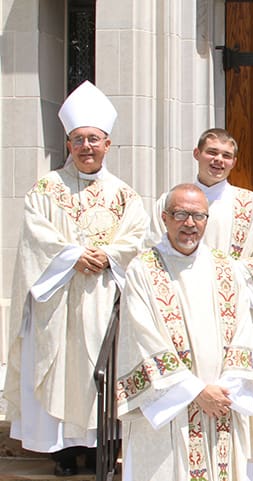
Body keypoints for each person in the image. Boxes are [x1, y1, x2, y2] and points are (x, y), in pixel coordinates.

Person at [3, 81, 149, 476]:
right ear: (69, 144)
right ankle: (64, 453)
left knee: (105, 372)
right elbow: (35, 236)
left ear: (108, 144)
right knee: (61, 373)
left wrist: (107, 255)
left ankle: (107, 446)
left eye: (94, 139)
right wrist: (72, 256)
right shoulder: (46, 189)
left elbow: (137, 238)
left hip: (106, 300)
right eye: (79, 139)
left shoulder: (125, 195)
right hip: (59, 303)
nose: (87, 146)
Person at [117, 184, 253, 481]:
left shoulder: (226, 268)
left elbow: (244, 330)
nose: (190, 224)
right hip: (170, 410)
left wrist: (223, 389)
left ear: (207, 220)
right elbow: (142, 337)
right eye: (181, 214)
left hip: (221, 403)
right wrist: (194, 391)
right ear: (165, 218)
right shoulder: (142, 270)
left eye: (198, 216)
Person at [148, 128, 253, 481]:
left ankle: (243, 465)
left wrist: (225, 273)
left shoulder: (250, 204)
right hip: (180, 317)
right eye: (211, 152)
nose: (218, 160)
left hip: (234, 318)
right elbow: (152, 255)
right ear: (197, 153)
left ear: (234, 162)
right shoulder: (171, 201)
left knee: (233, 397)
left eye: (225, 155)